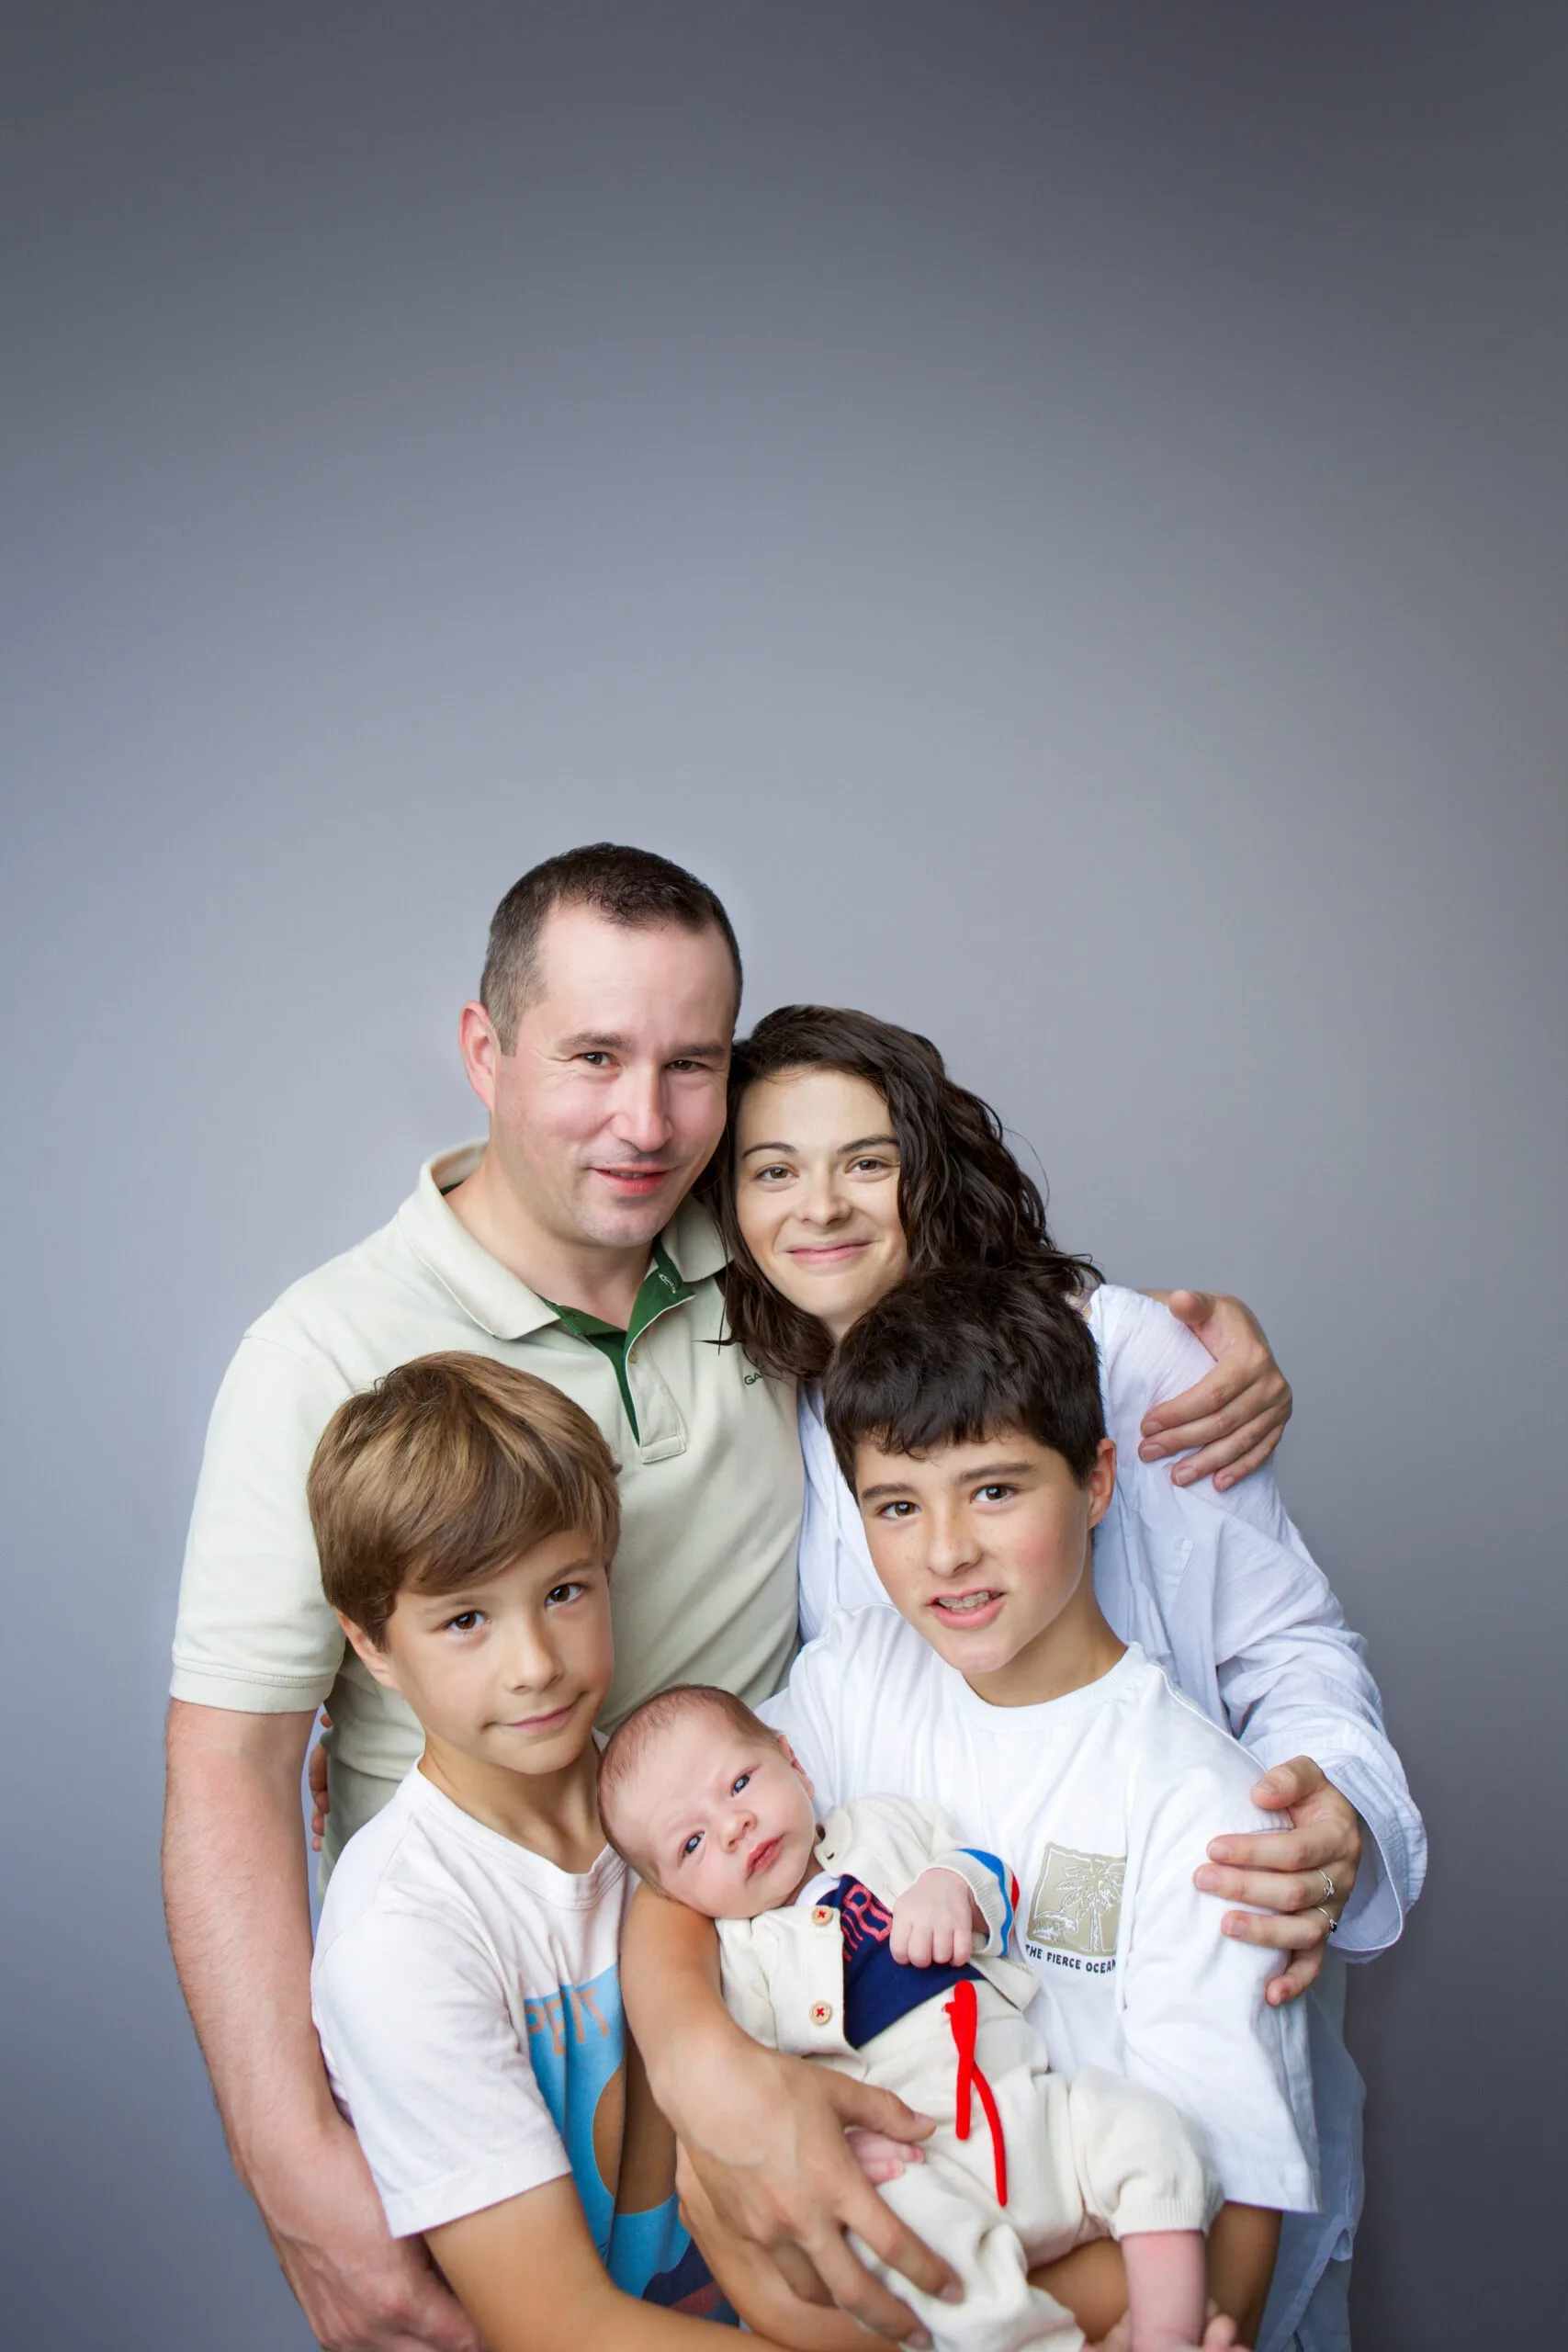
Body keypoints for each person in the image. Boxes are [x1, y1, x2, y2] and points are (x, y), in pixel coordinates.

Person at [162, 842, 1302, 2352]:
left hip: (797, 1958)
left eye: (691, 1067)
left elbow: (964, 1309)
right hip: (524, 2020)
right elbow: (228, 1769)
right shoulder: (319, 1353)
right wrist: (295, 2173)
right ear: (483, 1051)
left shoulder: (742, 1248)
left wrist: (1173, 1340)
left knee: (914, 2286)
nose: (646, 1123)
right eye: (591, 1058)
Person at [630, 1004, 1425, 2352]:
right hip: (935, 2108)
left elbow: (1282, 1643)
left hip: (1144, 1976)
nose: (816, 1205)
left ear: (930, 1169)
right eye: (770, 1170)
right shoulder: (790, 1400)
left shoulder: (1115, 1357)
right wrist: (696, 2053)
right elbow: (721, 1790)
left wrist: (1329, 1803)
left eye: (864, 1161)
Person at [626, 1267, 1324, 2352]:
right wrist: (693, 2054)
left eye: (995, 1490)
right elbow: (677, 1860)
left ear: (1097, 1482)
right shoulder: (859, 1678)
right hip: (909, 2202)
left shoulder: (1200, 1803)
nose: (946, 1552)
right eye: (898, 1507)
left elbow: (1229, 2212)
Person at [306, 1351, 776, 2347]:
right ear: (373, 1644)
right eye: (466, 1619)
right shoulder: (402, 1933)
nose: (535, 1666)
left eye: (565, 1591)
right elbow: (557, 2325)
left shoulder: (689, 1809)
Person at [600, 1684, 1224, 2352]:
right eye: (692, 1843)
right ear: (672, 1895)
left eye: (740, 1783)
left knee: (1147, 2129)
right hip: (915, 2168)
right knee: (905, 2252)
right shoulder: (740, 1961)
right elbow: (767, 2098)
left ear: (794, 1763)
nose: (732, 1827)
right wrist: (828, 2141)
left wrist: (950, 1890)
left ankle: (1168, 2330)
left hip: (1031, 2113)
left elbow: (984, 1874)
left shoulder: (881, 1826)